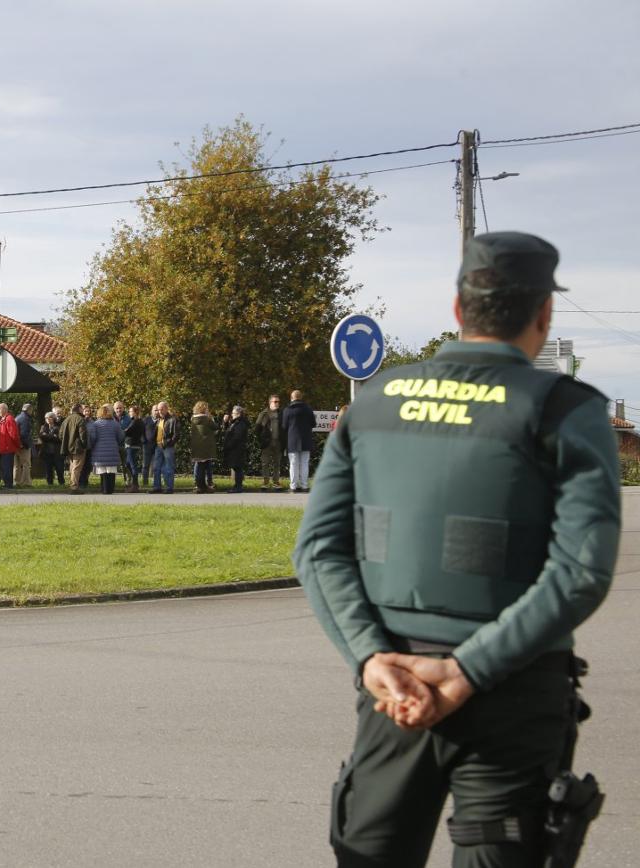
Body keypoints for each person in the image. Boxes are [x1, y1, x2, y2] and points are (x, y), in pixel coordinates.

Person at [295, 231, 620, 868]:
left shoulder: (376, 404)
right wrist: (469, 670)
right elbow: (580, 570)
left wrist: (369, 658)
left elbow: (318, 551)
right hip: (514, 689)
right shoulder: (564, 411)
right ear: (544, 313)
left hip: (395, 684)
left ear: (456, 309)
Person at [87, 404, 125, 494]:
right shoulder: (115, 424)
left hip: (99, 451)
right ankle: (110, 490)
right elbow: (121, 436)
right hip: (112, 451)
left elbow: (92, 438)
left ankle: (104, 489)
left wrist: (91, 446)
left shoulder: (95, 424)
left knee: (103, 472)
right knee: (111, 471)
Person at [283, 389, 315, 492]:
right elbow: (313, 424)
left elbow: (284, 426)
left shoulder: (287, 410)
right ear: (301, 397)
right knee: (305, 463)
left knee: (293, 464)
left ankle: (293, 486)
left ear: (291, 398)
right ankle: (305, 486)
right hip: (306, 439)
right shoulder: (308, 409)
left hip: (292, 440)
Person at [255, 395, 284, 491]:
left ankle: (276, 482)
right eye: (275, 401)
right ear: (270, 402)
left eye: (278, 402)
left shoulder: (281, 413)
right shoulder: (264, 413)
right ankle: (265, 482)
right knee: (265, 463)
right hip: (267, 443)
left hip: (278, 442)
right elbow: (257, 428)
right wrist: (262, 440)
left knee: (277, 463)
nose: (277, 403)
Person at [188, 401, 218, 494]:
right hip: (205, 446)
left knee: (199, 465)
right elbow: (215, 427)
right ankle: (202, 486)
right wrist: (210, 417)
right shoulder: (207, 419)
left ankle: (199, 485)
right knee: (203, 466)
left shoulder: (193, 419)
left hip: (196, 445)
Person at [149, 401, 178, 494]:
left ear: (166, 408)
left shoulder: (173, 419)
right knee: (156, 467)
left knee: (169, 467)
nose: (159, 411)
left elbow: (176, 435)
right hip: (158, 446)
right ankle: (157, 487)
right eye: (158, 409)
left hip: (167, 447)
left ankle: (169, 488)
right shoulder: (158, 420)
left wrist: (166, 443)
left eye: (162, 409)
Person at [221, 405, 249, 493]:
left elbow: (237, 437)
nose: (232, 415)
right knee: (236, 467)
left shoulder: (241, 423)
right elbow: (227, 432)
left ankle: (238, 486)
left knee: (237, 467)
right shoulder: (234, 422)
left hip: (237, 449)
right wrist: (225, 422)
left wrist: (229, 445)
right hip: (234, 449)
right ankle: (237, 485)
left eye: (233, 413)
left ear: (238, 414)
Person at [61, 403, 88, 494]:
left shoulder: (66, 419)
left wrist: (66, 442)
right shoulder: (80, 419)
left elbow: (60, 434)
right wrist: (84, 445)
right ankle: (74, 487)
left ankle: (72, 485)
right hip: (78, 447)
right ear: (79, 409)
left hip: (68, 447)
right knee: (77, 467)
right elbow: (83, 435)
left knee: (72, 466)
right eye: (82, 408)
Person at [0, 403, 20, 489]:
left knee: (7, 466)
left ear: (4, 409)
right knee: (4, 466)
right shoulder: (3, 419)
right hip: (3, 448)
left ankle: (8, 485)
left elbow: (13, 434)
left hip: (7, 448)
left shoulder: (9, 419)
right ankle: (6, 483)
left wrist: (17, 445)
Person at [39, 411, 64, 486]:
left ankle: (61, 482)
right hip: (47, 452)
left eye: (49, 417)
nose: (47, 419)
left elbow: (59, 438)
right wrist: (52, 436)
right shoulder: (43, 427)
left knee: (59, 468)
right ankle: (50, 483)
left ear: (53, 418)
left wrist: (47, 436)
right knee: (48, 469)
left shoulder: (58, 427)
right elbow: (41, 436)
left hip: (56, 452)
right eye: (46, 418)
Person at [14, 403, 34, 487]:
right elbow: (24, 433)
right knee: (26, 464)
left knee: (17, 465)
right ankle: (26, 482)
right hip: (23, 445)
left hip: (16, 445)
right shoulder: (26, 419)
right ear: (29, 410)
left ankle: (16, 482)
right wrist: (25, 445)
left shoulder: (17, 417)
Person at [142, 405, 158, 488]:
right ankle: (145, 482)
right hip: (147, 445)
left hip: (157, 446)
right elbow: (141, 431)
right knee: (145, 465)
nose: (156, 412)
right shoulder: (146, 420)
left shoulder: (161, 420)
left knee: (156, 465)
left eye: (157, 410)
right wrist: (143, 441)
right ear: (151, 411)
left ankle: (155, 482)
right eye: (155, 410)